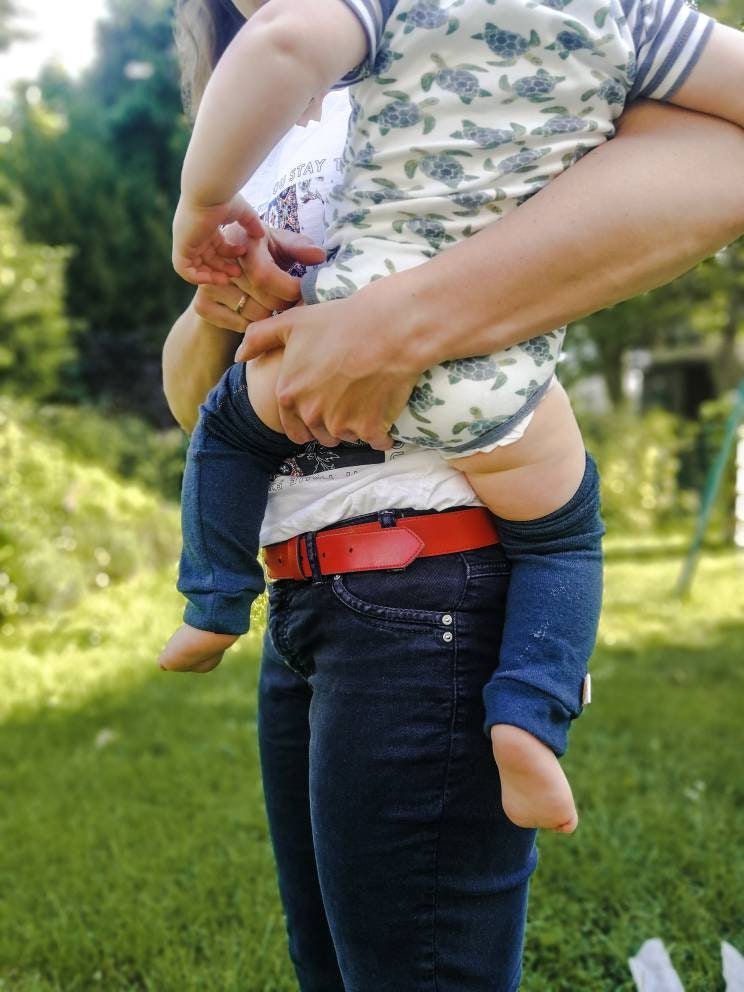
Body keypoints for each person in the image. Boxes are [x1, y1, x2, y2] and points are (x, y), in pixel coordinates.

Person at [163, 0, 744, 986]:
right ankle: (529, 707)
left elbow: (721, 158)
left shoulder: (445, 28)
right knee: (336, 964)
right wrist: (226, 296)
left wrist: (397, 322)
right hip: (305, 593)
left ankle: (529, 705)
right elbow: (190, 397)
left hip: (428, 576)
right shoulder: (254, 126)